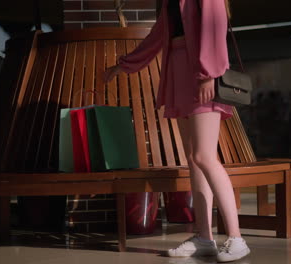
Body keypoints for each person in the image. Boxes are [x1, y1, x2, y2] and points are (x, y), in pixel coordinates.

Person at [104, 0, 250, 262]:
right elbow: (158, 36)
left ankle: (236, 238)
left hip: (202, 74)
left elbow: (214, 28)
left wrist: (208, 74)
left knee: (204, 156)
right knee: (194, 160)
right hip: (179, 74)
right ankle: (204, 238)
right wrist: (124, 65)